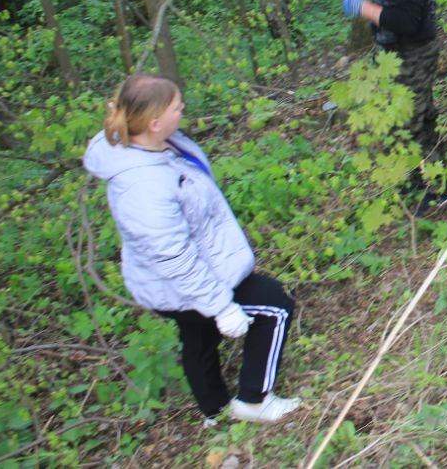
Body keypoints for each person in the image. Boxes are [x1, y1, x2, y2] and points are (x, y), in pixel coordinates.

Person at [82, 74, 300, 425]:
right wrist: (221, 305)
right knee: (275, 304)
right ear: (154, 122)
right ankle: (254, 401)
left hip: (188, 273)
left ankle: (214, 411)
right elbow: (173, 257)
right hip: (179, 282)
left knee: (198, 333)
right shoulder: (142, 186)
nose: (184, 109)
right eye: (177, 106)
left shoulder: (156, 143)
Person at [342, 0, 447, 214]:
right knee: (418, 117)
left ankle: (442, 189)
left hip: (413, 53)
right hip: (394, 54)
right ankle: (417, 177)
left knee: (410, 123)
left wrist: (364, 9)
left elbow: (409, 20)